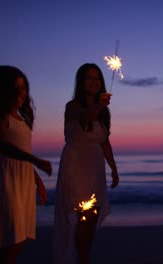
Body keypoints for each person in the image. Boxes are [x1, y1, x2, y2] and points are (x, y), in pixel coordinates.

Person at [0, 65, 53, 264]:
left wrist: (37, 181)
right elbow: (2, 145)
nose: (21, 92)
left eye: (23, 87)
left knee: (20, 239)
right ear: (1, 90)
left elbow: (24, 151)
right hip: (6, 181)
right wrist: (35, 161)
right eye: (14, 88)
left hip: (22, 180)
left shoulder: (22, 118)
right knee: (11, 241)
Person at [53, 63, 119, 264]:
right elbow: (84, 118)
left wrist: (114, 168)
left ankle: (84, 258)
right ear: (81, 82)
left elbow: (104, 141)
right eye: (89, 78)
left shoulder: (104, 113)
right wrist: (99, 105)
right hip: (76, 166)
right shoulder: (72, 106)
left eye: (97, 78)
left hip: (95, 168)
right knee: (84, 216)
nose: (94, 82)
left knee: (91, 218)